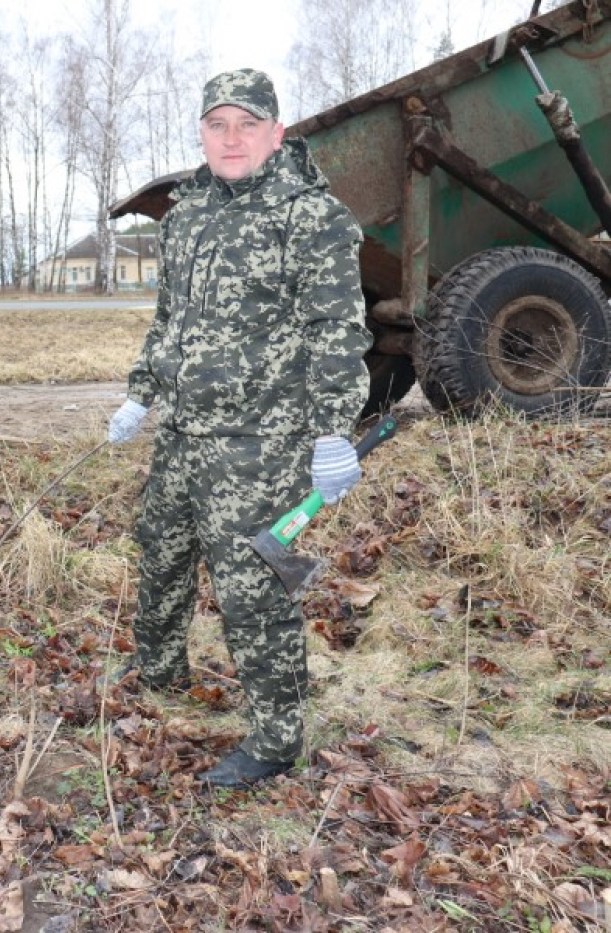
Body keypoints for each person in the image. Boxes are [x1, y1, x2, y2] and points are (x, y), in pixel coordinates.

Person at [105, 68, 372, 788]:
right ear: (201, 131)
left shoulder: (311, 218)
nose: (231, 138)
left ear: (276, 134)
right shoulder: (188, 214)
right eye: (218, 124)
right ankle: (158, 667)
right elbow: (171, 321)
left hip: (262, 444)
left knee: (252, 587)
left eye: (247, 124)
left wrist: (332, 431)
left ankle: (277, 737)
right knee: (159, 549)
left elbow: (338, 333)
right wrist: (142, 393)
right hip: (185, 432)